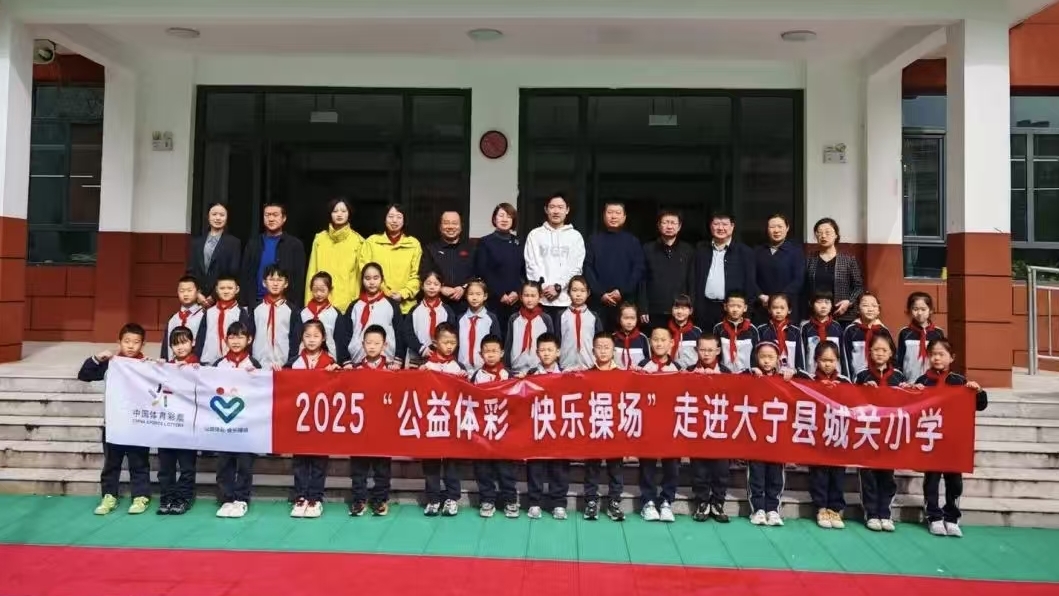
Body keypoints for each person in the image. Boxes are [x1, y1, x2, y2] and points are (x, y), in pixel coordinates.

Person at [913, 339, 989, 538]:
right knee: (931, 480)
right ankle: (933, 516)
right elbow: (911, 408)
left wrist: (978, 392)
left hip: (954, 441)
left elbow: (980, 405)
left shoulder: (960, 381)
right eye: (933, 354)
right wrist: (913, 393)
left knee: (954, 482)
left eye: (941, 354)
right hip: (931, 439)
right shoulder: (923, 381)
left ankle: (952, 517)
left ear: (951, 358)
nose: (937, 358)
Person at [78, 323, 151, 516]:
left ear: (143, 344)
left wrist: (159, 366)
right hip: (113, 424)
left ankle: (141, 496)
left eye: (136, 342)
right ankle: (109, 495)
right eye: (127, 341)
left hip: (138, 424)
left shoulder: (148, 366)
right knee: (111, 463)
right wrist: (96, 358)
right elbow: (84, 375)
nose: (131, 346)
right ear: (119, 341)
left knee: (139, 463)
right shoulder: (110, 364)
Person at [853, 334, 908, 532]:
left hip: (889, 433)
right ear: (869, 352)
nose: (880, 353)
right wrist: (863, 390)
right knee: (867, 475)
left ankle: (885, 512)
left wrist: (908, 390)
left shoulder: (899, 377)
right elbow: (850, 400)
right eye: (876, 349)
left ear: (891, 353)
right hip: (867, 433)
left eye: (884, 350)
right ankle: (871, 513)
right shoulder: (862, 375)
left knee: (887, 475)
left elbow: (909, 403)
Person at [286, 320, 340, 518]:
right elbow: (283, 386)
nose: (311, 340)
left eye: (316, 336)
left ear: (323, 338)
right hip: (299, 420)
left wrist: (336, 374)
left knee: (319, 461)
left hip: (321, 420)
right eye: (307, 336)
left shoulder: (330, 362)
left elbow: (339, 388)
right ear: (301, 337)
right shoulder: (294, 362)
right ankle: (300, 496)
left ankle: (315, 498)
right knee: (300, 461)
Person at [796, 341, 851, 530]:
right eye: (823, 360)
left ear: (838, 361)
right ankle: (821, 507)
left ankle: (835, 508)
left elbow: (854, 405)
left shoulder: (845, 382)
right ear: (816, 360)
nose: (827, 364)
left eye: (831, 360)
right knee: (819, 473)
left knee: (838, 473)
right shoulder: (809, 380)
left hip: (838, 435)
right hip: (817, 435)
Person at [212, 321, 261, 519]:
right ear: (226, 340)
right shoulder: (219, 365)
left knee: (244, 464)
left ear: (249, 340)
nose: (236, 341)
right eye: (232, 337)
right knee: (224, 463)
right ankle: (226, 498)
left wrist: (255, 377)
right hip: (224, 423)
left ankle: (241, 499)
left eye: (240, 337)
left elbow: (262, 393)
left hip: (247, 425)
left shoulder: (254, 365)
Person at [348, 324, 397, 517]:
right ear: (362, 344)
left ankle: (380, 499)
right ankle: (359, 499)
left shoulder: (392, 371)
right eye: (368, 342)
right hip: (360, 427)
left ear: (384, 345)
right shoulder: (355, 370)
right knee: (358, 467)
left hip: (383, 428)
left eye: (377, 343)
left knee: (382, 468)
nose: (372, 346)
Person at [469, 334, 519, 519]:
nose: (490, 355)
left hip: (503, 431)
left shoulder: (509, 375)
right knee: (483, 468)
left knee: (505, 469)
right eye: (487, 351)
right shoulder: (476, 376)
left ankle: (510, 500)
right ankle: (487, 500)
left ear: (502, 353)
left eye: (494, 351)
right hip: (483, 431)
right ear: (480, 354)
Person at [420, 322, 467, 517]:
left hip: (451, 423)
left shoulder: (459, 367)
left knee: (451, 462)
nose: (449, 346)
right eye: (445, 342)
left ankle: (451, 498)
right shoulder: (426, 366)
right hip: (431, 421)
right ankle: (433, 499)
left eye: (453, 342)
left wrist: (464, 380)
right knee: (431, 461)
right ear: (435, 342)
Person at [744, 342, 792, 527]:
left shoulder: (783, 377)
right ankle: (758, 509)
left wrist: (792, 371)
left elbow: (807, 379)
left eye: (771, 357)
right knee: (756, 474)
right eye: (762, 356)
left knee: (776, 475)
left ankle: (773, 509)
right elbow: (734, 378)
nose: (766, 361)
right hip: (756, 435)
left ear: (778, 359)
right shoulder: (750, 375)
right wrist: (750, 371)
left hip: (778, 435)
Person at [638, 326, 682, 523]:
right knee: (647, 464)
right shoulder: (642, 366)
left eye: (663, 340)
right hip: (648, 424)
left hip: (671, 425)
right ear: (650, 342)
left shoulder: (678, 369)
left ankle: (666, 501)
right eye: (655, 339)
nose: (659, 343)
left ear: (671, 343)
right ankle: (648, 501)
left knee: (671, 465)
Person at [524, 193, 586, 331]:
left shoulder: (575, 237)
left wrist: (558, 287)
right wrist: (545, 287)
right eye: (552, 207)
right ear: (546, 209)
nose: (556, 211)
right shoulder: (535, 235)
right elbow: (531, 264)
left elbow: (575, 268)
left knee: (564, 340)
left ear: (567, 210)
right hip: (540, 300)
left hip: (566, 301)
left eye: (560, 207)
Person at [524, 333, 568, 520]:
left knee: (559, 467)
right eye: (542, 350)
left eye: (550, 350)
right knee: (535, 466)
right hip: (537, 428)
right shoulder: (531, 375)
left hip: (559, 428)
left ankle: (559, 503)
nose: (546, 353)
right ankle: (534, 502)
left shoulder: (567, 375)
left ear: (558, 352)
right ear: (537, 353)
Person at [582, 331, 625, 522]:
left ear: (614, 350)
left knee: (616, 468)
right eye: (599, 347)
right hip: (594, 428)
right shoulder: (585, 375)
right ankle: (591, 501)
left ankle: (614, 502)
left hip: (615, 430)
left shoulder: (624, 375)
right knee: (592, 467)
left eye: (607, 347)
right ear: (593, 351)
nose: (603, 351)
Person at [689, 334, 731, 523]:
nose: (706, 354)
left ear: (718, 351)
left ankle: (718, 502)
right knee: (699, 469)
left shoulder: (727, 373)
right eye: (702, 350)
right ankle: (702, 501)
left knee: (721, 469)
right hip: (697, 428)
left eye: (710, 350)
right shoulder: (689, 372)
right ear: (696, 350)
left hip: (720, 427)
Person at [157, 326, 199, 516]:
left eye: (184, 342)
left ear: (193, 343)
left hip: (188, 425)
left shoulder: (201, 367)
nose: (180, 347)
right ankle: (167, 497)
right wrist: (153, 367)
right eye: (175, 344)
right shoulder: (166, 367)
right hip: (167, 423)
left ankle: (184, 498)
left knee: (187, 466)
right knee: (165, 466)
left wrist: (194, 370)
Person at [584, 201, 644, 331]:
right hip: (598, 301)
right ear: (604, 215)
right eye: (610, 212)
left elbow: (638, 269)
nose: (613, 216)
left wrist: (622, 291)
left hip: (625, 302)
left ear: (624, 217)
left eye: (618, 213)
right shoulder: (593, 240)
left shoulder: (633, 241)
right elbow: (587, 268)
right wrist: (600, 293)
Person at [693, 213, 757, 333]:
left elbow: (750, 284)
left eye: (725, 224)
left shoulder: (745, 252)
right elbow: (693, 280)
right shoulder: (700, 250)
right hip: (705, 308)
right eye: (716, 224)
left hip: (733, 310)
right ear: (710, 226)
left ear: (732, 226)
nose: (720, 228)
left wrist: (747, 313)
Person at [240, 203, 306, 310]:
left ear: (284, 218)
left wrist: (295, 306)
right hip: (257, 302)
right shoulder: (253, 243)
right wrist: (244, 303)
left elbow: (299, 279)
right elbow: (245, 275)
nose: (271, 219)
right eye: (267, 215)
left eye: (275, 215)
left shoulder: (295, 245)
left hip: (285, 305)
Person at [359, 204, 422, 314]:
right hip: (376, 304)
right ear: (384, 219)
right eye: (390, 216)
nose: (394, 220)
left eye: (399, 217)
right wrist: (385, 291)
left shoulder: (414, 244)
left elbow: (417, 275)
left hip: (406, 307)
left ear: (404, 220)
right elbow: (364, 270)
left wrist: (403, 293)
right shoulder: (371, 242)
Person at [304, 197, 364, 313]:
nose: (339, 214)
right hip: (320, 301)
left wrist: (356, 305)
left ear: (349, 214)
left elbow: (359, 278)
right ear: (330, 214)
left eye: (343, 211)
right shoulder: (320, 240)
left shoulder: (358, 242)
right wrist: (308, 305)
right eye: (335, 211)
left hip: (347, 304)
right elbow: (312, 272)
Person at [336, 263, 402, 366]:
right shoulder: (354, 306)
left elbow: (399, 333)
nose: (371, 282)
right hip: (357, 362)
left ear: (382, 279)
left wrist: (398, 359)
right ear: (362, 280)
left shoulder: (391, 304)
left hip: (387, 362)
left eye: (376, 278)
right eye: (367, 278)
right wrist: (346, 360)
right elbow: (345, 335)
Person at [640, 210, 695, 331]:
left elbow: (692, 281)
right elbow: (642, 281)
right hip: (654, 310)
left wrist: (691, 307)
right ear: (659, 225)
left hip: (680, 309)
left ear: (679, 226)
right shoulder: (647, 249)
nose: (669, 226)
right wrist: (643, 308)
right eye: (665, 222)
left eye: (673, 223)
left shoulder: (688, 250)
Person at [805, 218, 864, 325]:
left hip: (842, 314)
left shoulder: (848, 260)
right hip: (816, 315)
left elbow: (858, 286)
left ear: (836, 235)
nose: (823, 236)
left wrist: (849, 302)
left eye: (827, 232)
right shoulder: (810, 259)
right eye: (819, 232)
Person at [473, 202, 524, 326]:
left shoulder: (519, 242)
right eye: (501, 215)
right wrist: (500, 294)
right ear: (494, 219)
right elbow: (482, 271)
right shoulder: (485, 242)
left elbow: (523, 271)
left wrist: (517, 292)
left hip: (515, 300)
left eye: (509, 216)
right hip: (493, 300)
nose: (504, 219)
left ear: (513, 220)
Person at [419, 210, 475, 315]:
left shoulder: (471, 248)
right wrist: (441, 288)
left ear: (461, 227)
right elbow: (424, 274)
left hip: (467, 305)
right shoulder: (430, 249)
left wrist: (464, 288)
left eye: (454, 223)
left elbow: (477, 274)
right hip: (437, 305)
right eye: (446, 223)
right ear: (440, 227)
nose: (450, 226)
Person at [187, 202, 241, 307]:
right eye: (214, 214)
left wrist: (214, 296)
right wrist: (197, 293)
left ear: (227, 218)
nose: (218, 218)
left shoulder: (233, 243)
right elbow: (191, 271)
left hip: (222, 296)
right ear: (208, 217)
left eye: (222, 215)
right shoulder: (197, 242)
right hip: (198, 298)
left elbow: (233, 272)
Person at [753, 214, 804, 324]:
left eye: (780, 226)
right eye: (772, 227)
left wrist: (779, 299)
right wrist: (760, 295)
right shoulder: (757, 251)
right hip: (762, 306)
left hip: (786, 307)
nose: (776, 230)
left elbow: (798, 280)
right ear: (767, 229)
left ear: (787, 228)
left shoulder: (796, 251)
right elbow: (751, 278)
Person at [251, 265, 302, 371]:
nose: (275, 284)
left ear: (286, 284)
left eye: (279, 280)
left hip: (283, 365)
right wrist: (251, 361)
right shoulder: (256, 308)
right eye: (271, 279)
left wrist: (290, 363)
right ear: (264, 283)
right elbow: (249, 335)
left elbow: (295, 339)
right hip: (257, 365)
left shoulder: (292, 310)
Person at [195, 274, 251, 367]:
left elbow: (245, 338)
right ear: (216, 290)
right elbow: (201, 337)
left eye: (230, 288)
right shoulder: (209, 312)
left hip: (230, 363)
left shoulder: (241, 312)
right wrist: (197, 358)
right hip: (207, 361)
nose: (226, 291)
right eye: (222, 288)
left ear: (237, 289)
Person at [403, 271, 455, 368]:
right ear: (422, 286)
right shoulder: (415, 310)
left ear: (441, 286)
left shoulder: (447, 311)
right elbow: (407, 333)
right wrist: (420, 348)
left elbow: (451, 335)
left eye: (436, 284)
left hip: (440, 359)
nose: (432, 287)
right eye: (428, 283)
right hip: (416, 359)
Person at [505, 280, 555, 374]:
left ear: (540, 296)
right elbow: (509, 343)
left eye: (533, 296)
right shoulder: (514, 318)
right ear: (521, 297)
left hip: (539, 369)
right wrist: (507, 367)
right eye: (526, 295)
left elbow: (551, 344)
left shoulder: (546, 319)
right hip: (516, 368)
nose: (529, 299)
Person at [897, 292, 946, 383]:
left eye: (923, 309)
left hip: (932, 382)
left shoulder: (938, 333)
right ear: (909, 310)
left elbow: (943, 358)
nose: (919, 313)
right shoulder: (905, 333)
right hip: (909, 382)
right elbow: (899, 359)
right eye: (915, 309)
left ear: (931, 310)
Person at [841, 292, 892, 377]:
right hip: (857, 379)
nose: (870, 309)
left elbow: (891, 358)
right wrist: (849, 379)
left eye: (874, 306)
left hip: (879, 378)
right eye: (865, 305)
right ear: (858, 309)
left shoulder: (883, 331)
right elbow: (845, 358)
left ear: (878, 310)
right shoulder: (851, 330)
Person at [457, 279, 501, 371]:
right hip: (462, 368)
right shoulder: (460, 319)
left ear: (485, 296)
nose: (474, 298)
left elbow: (496, 344)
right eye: (471, 294)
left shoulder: (491, 318)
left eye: (478, 294)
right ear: (466, 296)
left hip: (485, 368)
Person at [559, 276, 601, 370]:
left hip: (589, 365)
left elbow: (599, 341)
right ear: (568, 292)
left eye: (582, 291)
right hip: (566, 365)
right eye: (574, 290)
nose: (578, 294)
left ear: (588, 293)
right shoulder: (561, 315)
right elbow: (557, 340)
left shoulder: (593, 316)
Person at [756, 293, 805, 372]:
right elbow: (758, 354)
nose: (778, 311)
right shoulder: (762, 330)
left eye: (782, 308)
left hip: (790, 374)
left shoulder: (795, 331)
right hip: (768, 375)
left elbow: (799, 356)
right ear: (769, 309)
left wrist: (798, 372)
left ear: (789, 310)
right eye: (775, 308)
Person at [800, 292, 845, 376]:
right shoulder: (806, 327)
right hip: (812, 375)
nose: (823, 306)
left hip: (835, 377)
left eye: (827, 302)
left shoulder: (836, 327)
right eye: (819, 302)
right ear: (812, 304)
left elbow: (843, 354)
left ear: (832, 305)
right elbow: (801, 354)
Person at [161, 275, 204, 361]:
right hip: (174, 364)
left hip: (196, 364)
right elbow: (166, 346)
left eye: (189, 290)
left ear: (198, 292)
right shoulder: (173, 319)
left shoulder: (203, 316)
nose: (185, 294)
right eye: (182, 291)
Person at [713, 291, 759, 373]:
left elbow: (756, 353)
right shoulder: (718, 328)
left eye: (739, 306)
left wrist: (754, 368)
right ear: (725, 307)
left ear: (745, 308)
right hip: (723, 373)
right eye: (731, 306)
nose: (735, 309)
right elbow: (715, 353)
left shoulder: (752, 329)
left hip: (747, 374)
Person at [299, 272, 342, 356]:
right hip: (305, 357)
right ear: (310, 289)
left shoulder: (335, 314)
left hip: (329, 357)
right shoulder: (303, 313)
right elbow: (296, 338)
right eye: (315, 290)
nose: (318, 294)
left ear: (330, 289)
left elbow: (340, 340)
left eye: (322, 290)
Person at [667, 294, 702, 369]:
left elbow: (702, 353)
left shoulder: (697, 331)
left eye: (683, 308)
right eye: (676, 308)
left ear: (690, 311)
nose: (679, 311)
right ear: (672, 310)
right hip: (671, 370)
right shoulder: (666, 332)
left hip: (692, 371)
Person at [613, 302, 648, 370]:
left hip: (637, 375)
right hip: (617, 375)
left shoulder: (643, 338)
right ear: (619, 319)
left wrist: (640, 367)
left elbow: (648, 359)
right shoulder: (613, 338)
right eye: (626, 318)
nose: (629, 322)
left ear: (637, 319)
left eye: (633, 318)